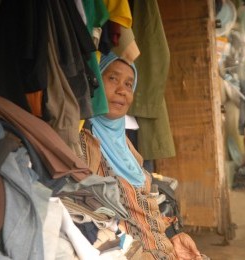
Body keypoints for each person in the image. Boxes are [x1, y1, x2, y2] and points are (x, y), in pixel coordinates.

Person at [79, 52, 206, 259]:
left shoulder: (127, 147)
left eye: (129, 84)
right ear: (94, 82)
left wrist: (173, 236)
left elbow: (142, 209)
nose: (122, 90)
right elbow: (86, 222)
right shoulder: (83, 144)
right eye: (112, 79)